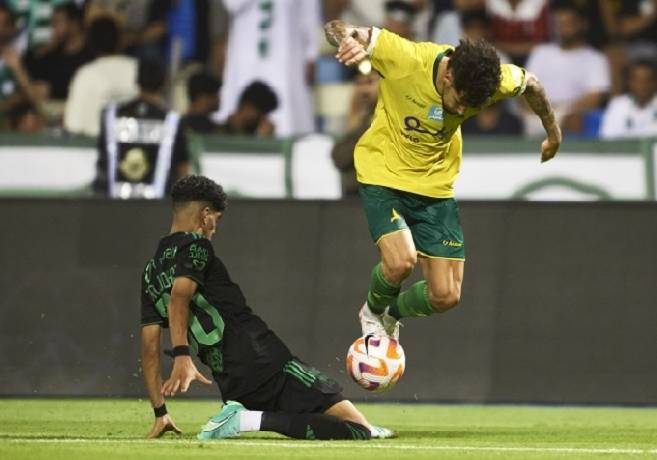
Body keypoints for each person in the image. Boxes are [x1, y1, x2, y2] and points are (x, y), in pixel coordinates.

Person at [323, 20, 560, 338]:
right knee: (401, 262)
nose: (461, 110)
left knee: (446, 295)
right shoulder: (406, 58)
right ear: (448, 75)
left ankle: (391, 316)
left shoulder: (490, 80)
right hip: (383, 172)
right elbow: (338, 27)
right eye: (459, 99)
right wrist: (347, 40)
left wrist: (552, 131)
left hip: (435, 186)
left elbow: (533, 84)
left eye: (470, 106)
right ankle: (372, 313)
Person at [140, 174, 394, 441]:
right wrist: (181, 354)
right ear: (205, 215)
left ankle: (248, 417)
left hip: (231, 381)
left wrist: (160, 412)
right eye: (216, 218)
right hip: (264, 360)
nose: (214, 228)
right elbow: (179, 297)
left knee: (324, 422)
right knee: (357, 429)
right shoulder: (196, 245)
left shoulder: (150, 273)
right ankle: (246, 420)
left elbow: (148, 347)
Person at [216, 0, 320, 136]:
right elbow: (232, 5)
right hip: (246, 55)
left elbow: (309, 13)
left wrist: (311, 53)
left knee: (288, 113)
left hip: (287, 53)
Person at [93, 57, 189, 199]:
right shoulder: (172, 122)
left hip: (113, 204)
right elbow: (182, 169)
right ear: (165, 82)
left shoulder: (111, 117)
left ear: (136, 81)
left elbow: (102, 160)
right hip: (157, 206)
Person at [523, 2, 610, 135]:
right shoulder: (540, 52)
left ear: (582, 24)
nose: (563, 28)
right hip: (535, 115)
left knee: (575, 121)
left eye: (568, 23)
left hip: (571, 116)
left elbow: (595, 98)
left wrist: (562, 111)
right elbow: (525, 89)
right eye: (559, 23)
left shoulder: (596, 59)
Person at [64, 16, 138, 136]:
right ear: (120, 40)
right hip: (134, 145)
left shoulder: (85, 74)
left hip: (93, 145)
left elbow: (72, 125)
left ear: (90, 43)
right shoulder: (138, 69)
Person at [24, 2, 92, 101]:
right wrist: (41, 52)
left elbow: (41, 93)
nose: (53, 28)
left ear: (74, 24)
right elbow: (35, 81)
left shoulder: (90, 56)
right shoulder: (52, 56)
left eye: (57, 22)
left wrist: (17, 67)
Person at [332, 63, 380, 197]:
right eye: (359, 83)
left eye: (370, 82)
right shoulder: (355, 117)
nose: (364, 90)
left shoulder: (393, 116)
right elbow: (339, 158)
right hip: (354, 196)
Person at [600, 59, 657, 139]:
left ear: (655, 82)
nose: (642, 85)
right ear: (629, 82)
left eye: (647, 80)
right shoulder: (617, 105)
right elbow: (607, 139)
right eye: (637, 80)